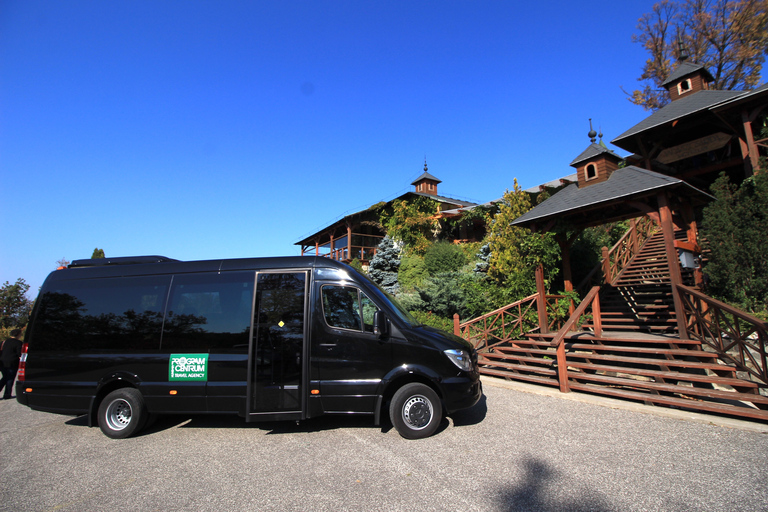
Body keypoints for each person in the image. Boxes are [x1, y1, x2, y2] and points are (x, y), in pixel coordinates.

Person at [1, 329, 23, 400]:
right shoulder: (18, 343)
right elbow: (19, 354)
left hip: (2, 362)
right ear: (18, 335)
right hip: (12, 362)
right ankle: (7, 394)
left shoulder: (4, 342)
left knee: (5, 377)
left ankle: (6, 393)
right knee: (10, 378)